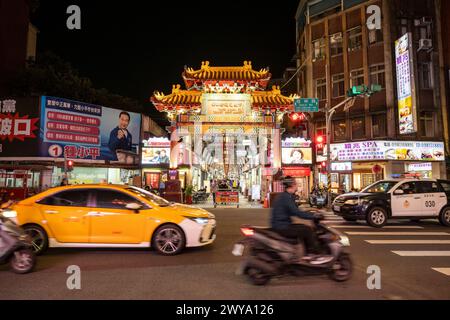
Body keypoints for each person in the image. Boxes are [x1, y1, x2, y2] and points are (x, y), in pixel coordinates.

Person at [270, 176, 333, 265]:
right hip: (282, 227)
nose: (297, 186)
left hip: (281, 224)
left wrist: (310, 212)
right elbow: (297, 212)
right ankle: (316, 254)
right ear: (292, 185)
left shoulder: (285, 196)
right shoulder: (286, 197)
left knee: (303, 228)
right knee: (307, 230)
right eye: (296, 184)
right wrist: (313, 216)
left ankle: (307, 253)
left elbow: (294, 210)